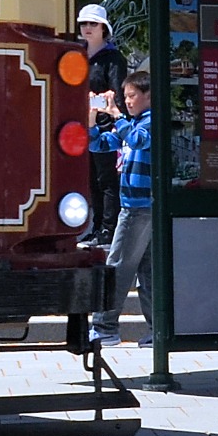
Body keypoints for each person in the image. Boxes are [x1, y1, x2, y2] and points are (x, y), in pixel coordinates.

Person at [87, 69, 155, 347]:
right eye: (124, 97)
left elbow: (139, 140)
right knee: (148, 271)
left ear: (148, 96)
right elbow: (99, 144)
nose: (127, 101)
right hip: (136, 206)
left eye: (132, 96)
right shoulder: (133, 122)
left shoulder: (150, 122)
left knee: (117, 265)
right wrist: (92, 117)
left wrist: (116, 115)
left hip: (140, 207)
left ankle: (105, 326)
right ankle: (157, 328)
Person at [77, 4, 128, 244]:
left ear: (103, 28)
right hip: (80, 127)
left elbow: (115, 95)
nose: (87, 28)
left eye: (93, 24)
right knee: (90, 179)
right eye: (84, 23)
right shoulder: (75, 54)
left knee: (106, 179)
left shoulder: (114, 58)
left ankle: (109, 229)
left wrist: (91, 103)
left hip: (106, 128)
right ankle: (96, 227)